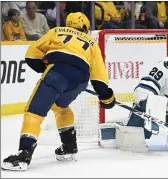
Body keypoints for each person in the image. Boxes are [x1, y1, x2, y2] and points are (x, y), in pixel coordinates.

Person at [2, 12, 116, 171]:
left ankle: (23, 155)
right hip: (80, 81)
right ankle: (69, 146)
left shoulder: (57, 31)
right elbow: (99, 78)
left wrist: (47, 68)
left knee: (34, 112)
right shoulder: (91, 43)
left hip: (57, 73)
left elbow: (31, 55)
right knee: (60, 107)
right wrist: (107, 98)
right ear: (86, 27)